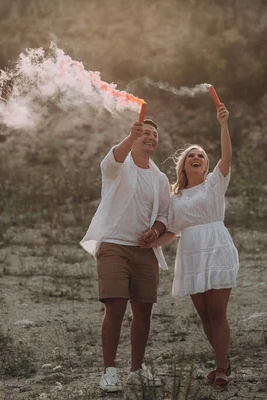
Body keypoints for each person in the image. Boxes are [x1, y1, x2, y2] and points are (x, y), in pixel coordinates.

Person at [142, 103, 239, 387]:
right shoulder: (175, 198)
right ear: (183, 164)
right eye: (191, 155)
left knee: (218, 311)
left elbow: (227, 156)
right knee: (205, 314)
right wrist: (151, 243)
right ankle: (223, 359)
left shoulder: (214, 185)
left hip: (216, 247)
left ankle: (220, 368)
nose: (196, 157)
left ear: (206, 165)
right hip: (192, 254)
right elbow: (172, 232)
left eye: (201, 156)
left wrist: (223, 124)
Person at [80, 118, 171, 392]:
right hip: (114, 246)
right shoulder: (118, 166)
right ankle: (109, 371)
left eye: (154, 134)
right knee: (116, 307)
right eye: (145, 133)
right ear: (134, 136)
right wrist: (128, 138)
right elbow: (109, 162)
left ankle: (136, 370)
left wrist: (155, 232)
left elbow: (164, 215)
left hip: (145, 251)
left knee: (144, 311)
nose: (150, 138)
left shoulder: (160, 178)